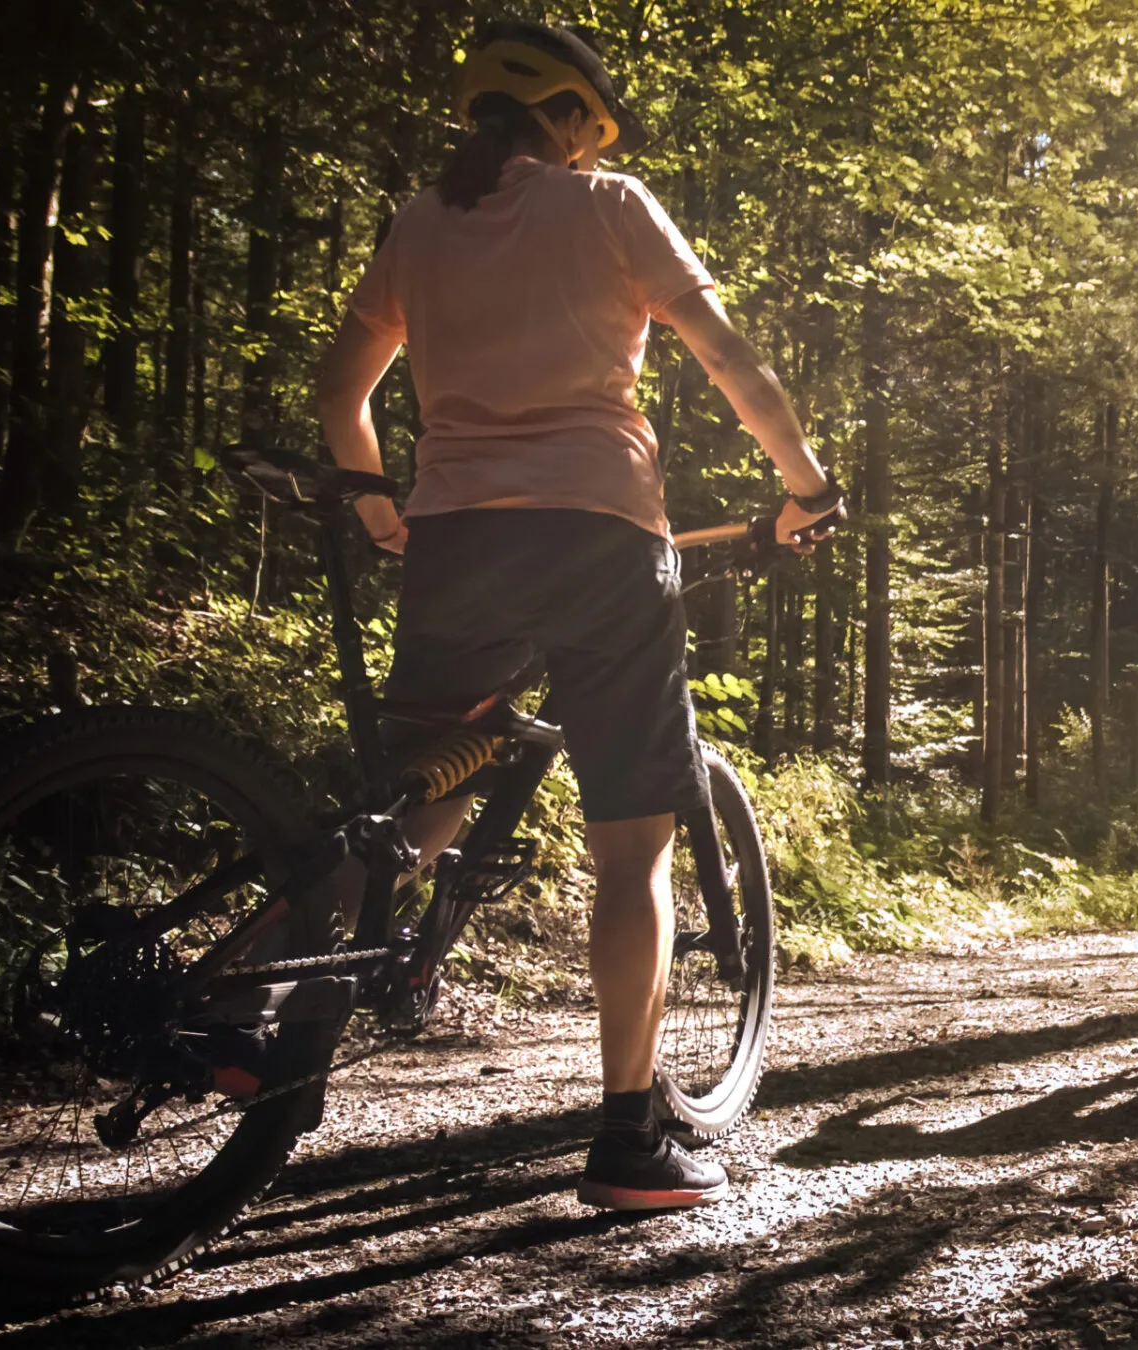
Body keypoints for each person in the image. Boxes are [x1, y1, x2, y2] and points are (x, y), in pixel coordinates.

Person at [314, 21, 842, 1210]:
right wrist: (806, 485)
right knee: (631, 842)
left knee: (417, 800)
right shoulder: (610, 206)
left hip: (455, 539)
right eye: (586, 130)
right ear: (566, 120)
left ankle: (257, 1002)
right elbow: (727, 360)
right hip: (600, 536)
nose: (589, 149)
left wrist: (385, 516)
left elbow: (341, 393)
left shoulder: (418, 223)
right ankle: (627, 1140)